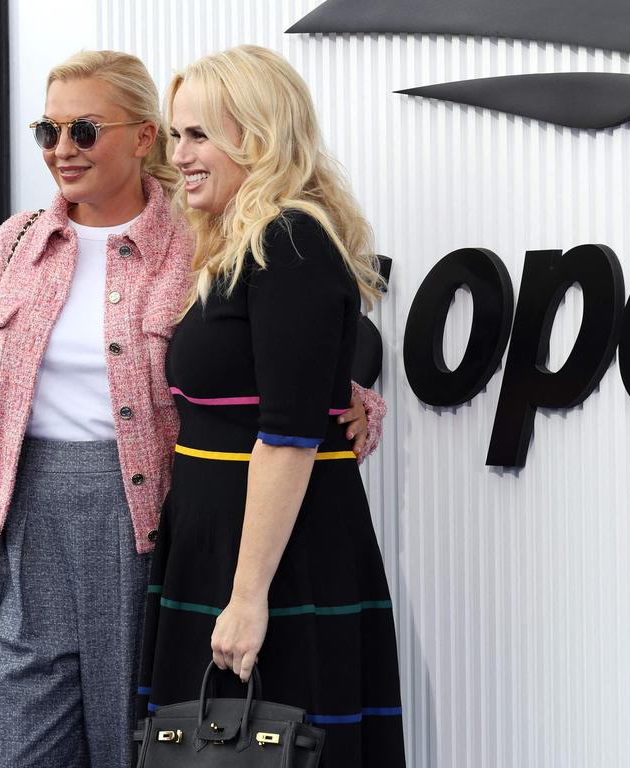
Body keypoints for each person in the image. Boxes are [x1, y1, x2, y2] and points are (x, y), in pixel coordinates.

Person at [0, 50, 384, 768]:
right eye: (48, 132)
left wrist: (352, 403)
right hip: (23, 523)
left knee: (138, 747)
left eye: (84, 130)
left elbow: (279, 353)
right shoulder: (13, 247)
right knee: (14, 746)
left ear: (142, 138)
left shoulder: (201, 236)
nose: (62, 150)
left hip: (143, 519)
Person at [137, 45, 406, 767]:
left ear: (256, 138)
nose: (180, 155)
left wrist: (248, 595)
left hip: (273, 563)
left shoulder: (290, 242)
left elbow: (288, 437)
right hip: (220, 545)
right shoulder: (237, 243)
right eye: (175, 135)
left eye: (198, 135)